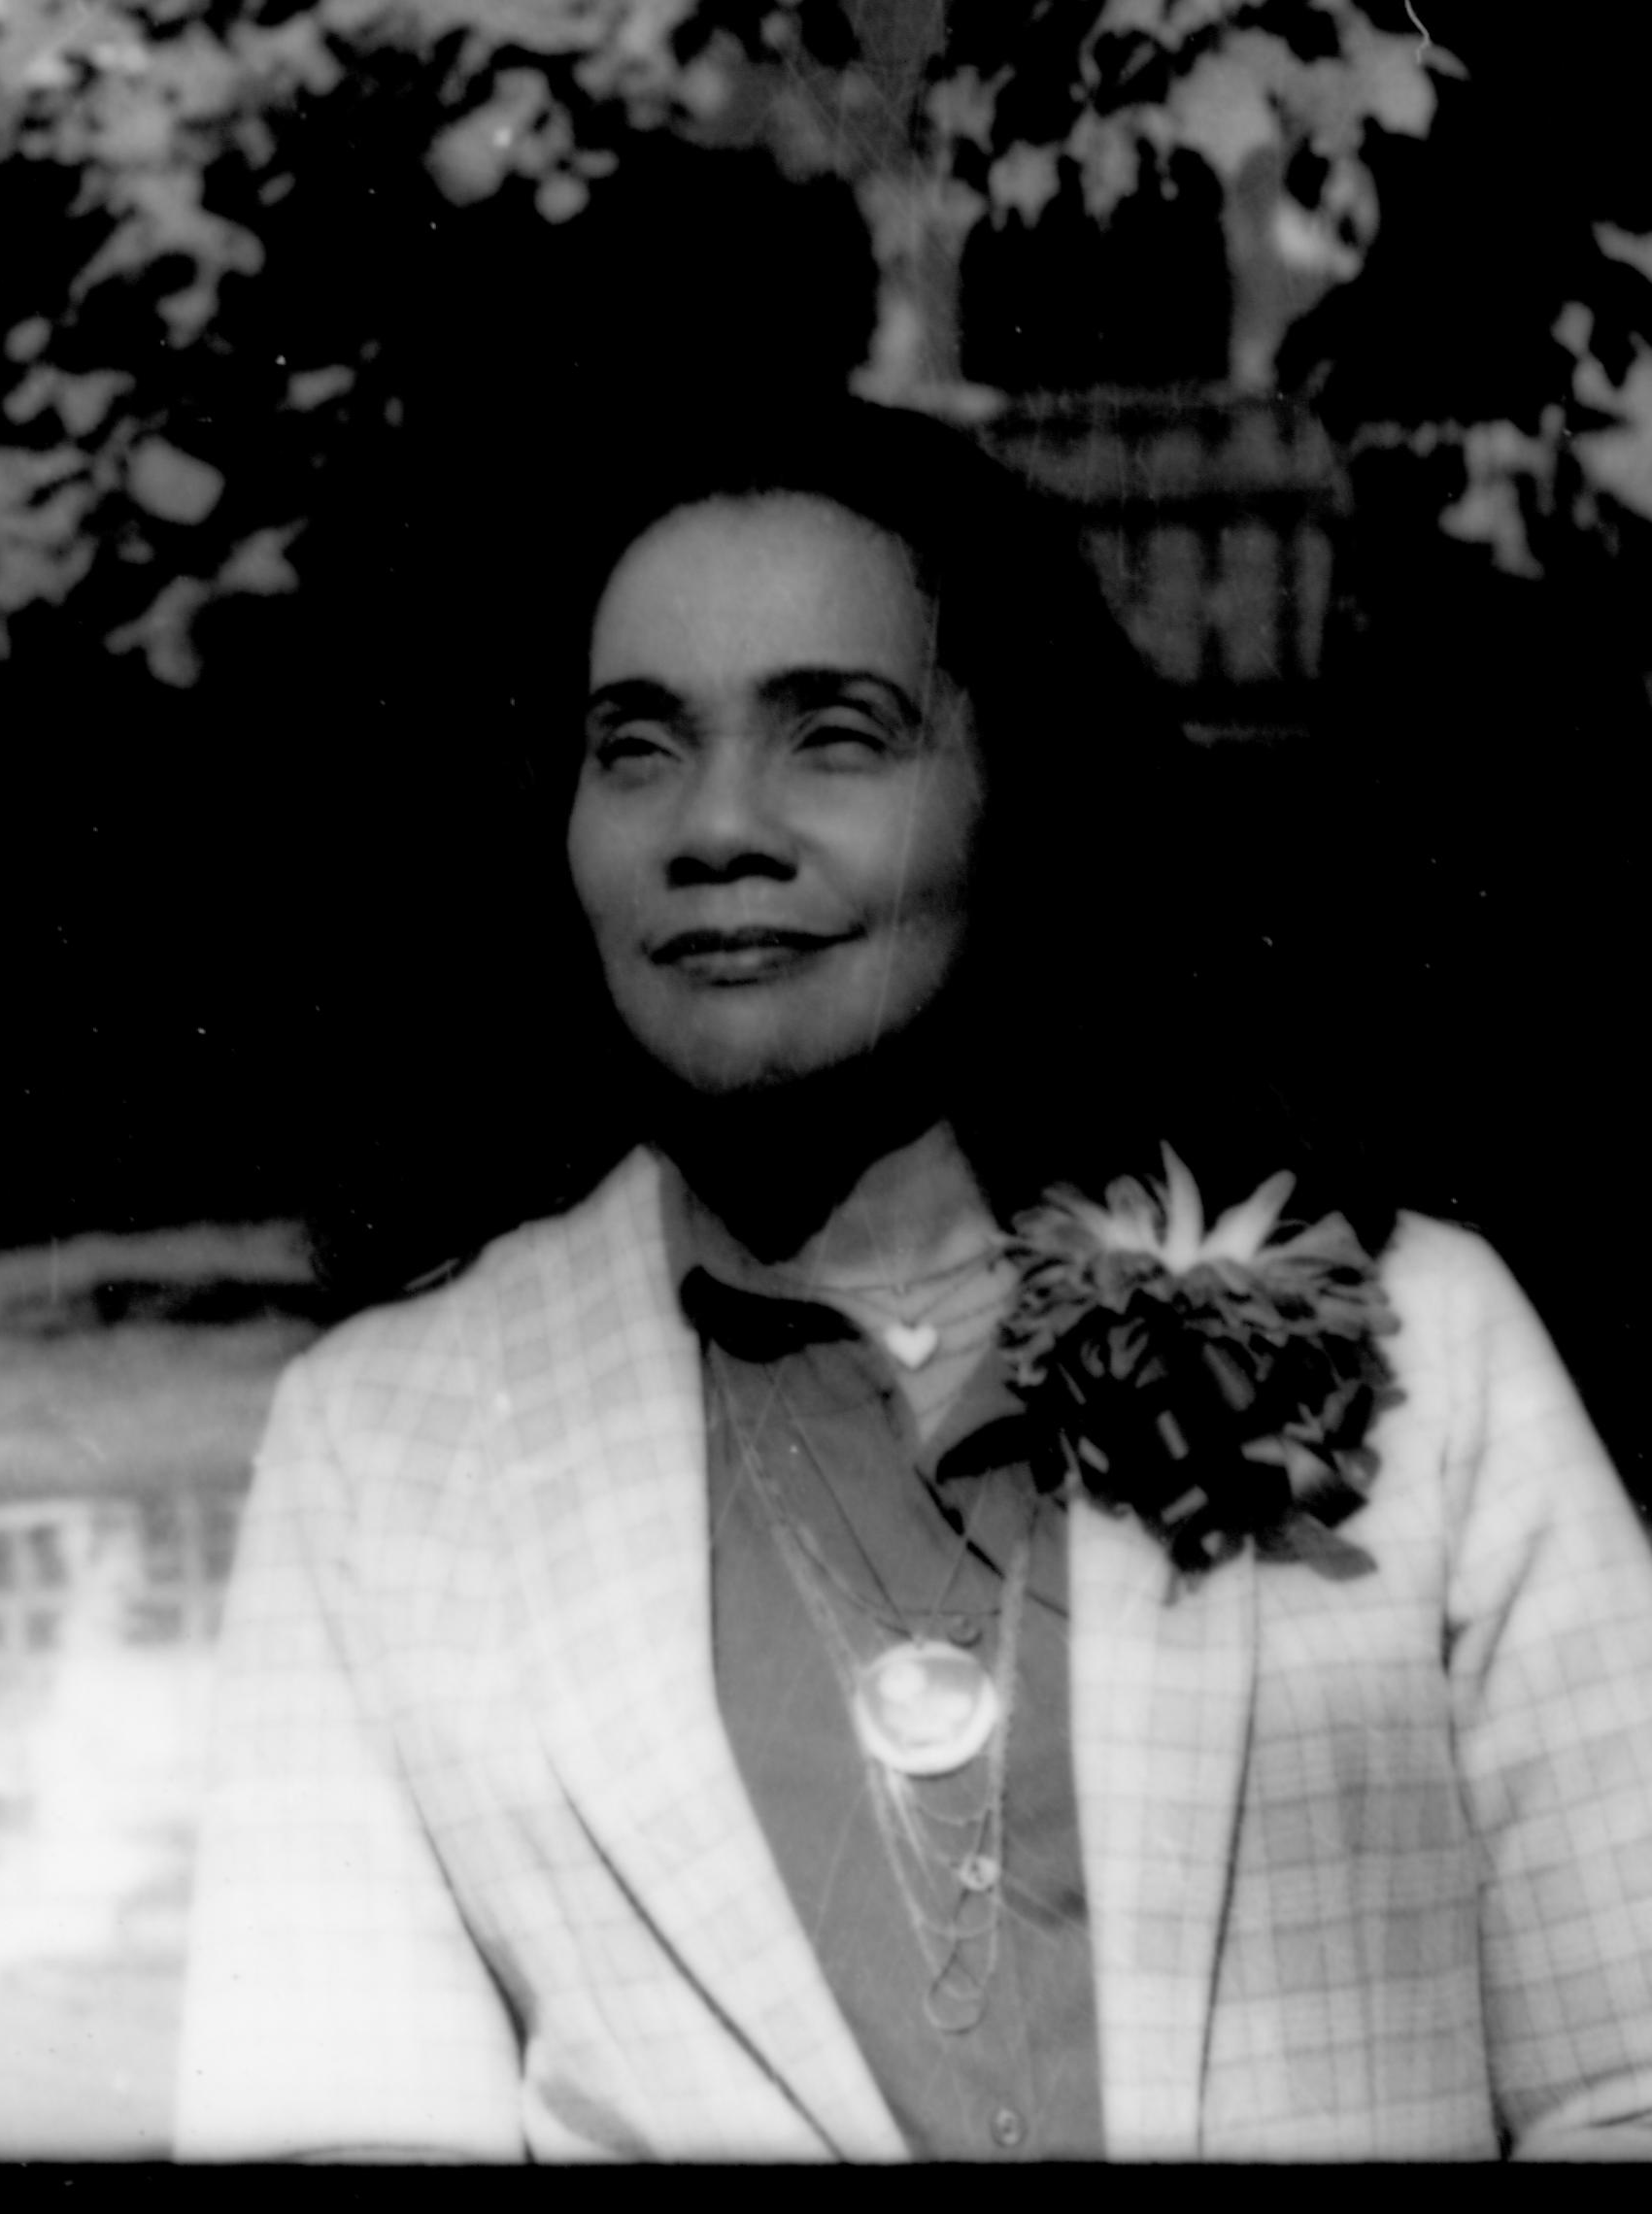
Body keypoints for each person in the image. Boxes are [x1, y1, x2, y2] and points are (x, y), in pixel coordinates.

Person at [174, 396, 1652, 2161]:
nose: (717, 824)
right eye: (635, 746)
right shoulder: (384, 1448)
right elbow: (338, 2132)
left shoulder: (1426, 1345)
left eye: (836, 734)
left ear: (1018, 786)